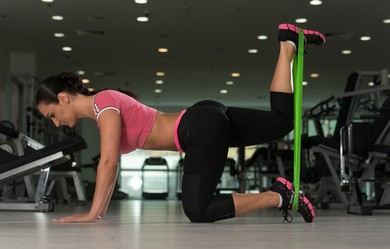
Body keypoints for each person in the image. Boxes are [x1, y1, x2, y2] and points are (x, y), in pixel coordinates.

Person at [36, 23, 325, 224]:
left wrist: (89, 214)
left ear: (63, 98)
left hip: (197, 129)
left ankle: (279, 196)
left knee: (198, 211)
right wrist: (97, 213)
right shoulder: (104, 109)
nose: (57, 123)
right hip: (203, 119)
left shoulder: (104, 103)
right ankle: (287, 45)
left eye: (51, 115)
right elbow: (111, 171)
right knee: (281, 122)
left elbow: (109, 162)